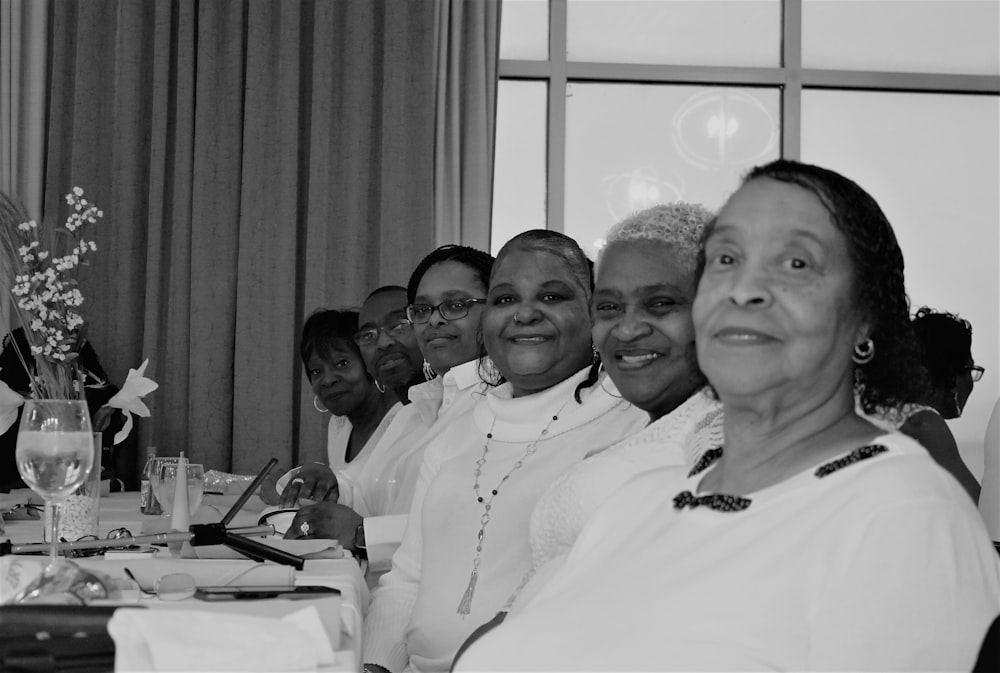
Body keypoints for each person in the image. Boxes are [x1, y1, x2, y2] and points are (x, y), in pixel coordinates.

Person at [454, 160, 1000, 671]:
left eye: (794, 265)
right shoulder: (639, 502)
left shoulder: (899, 507)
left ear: (863, 317)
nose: (745, 292)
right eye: (725, 262)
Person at [362, 230, 648, 673]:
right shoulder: (457, 425)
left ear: (594, 313)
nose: (525, 313)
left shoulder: (630, 423)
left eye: (552, 296)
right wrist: (376, 667)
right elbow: (405, 579)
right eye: (504, 299)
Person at [505, 202, 724, 612]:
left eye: (660, 303)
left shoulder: (723, 442)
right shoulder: (654, 429)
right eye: (608, 307)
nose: (627, 328)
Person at [284, 245, 495, 573]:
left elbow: (476, 526)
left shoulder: (502, 405)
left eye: (455, 305)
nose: (436, 319)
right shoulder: (417, 409)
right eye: (422, 310)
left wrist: (363, 534)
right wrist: (333, 486)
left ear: (496, 309)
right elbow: (369, 492)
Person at [260, 309, 399, 505]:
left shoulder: (402, 421)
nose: (327, 380)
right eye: (316, 371)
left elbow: (368, 501)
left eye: (342, 363)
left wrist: (288, 491)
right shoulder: (339, 424)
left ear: (370, 362)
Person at [893, 307, 982, 501]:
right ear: (951, 374)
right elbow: (976, 504)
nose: (970, 381)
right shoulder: (922, 423)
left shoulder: (889, 414)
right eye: (970, 370)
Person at [356, 286, 425, 404]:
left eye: (398, 326)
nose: (383, 343)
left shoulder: (462, 406)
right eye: (368, 335)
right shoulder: (401, 419)